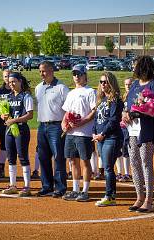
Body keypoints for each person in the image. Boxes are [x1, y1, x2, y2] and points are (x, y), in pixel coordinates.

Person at [122, 56, 154, 213]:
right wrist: (125, 113)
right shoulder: (134, 85)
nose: (133, 68)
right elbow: (128, 105)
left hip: (148, 129)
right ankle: (139, 197)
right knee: (134, 161)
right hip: (133, 128)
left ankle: (149, 200)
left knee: (146, 162)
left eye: (136, 65)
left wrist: (142, 111)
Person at [61, 65, 96, 202]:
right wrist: (63, 124)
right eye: (74, 74)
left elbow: (94, 111)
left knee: (85, 161)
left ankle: (85, 191)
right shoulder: (71, 93)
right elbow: (66, 112)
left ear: (85, 76)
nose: (76, 76)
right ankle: (75, 190)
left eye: (79, 74)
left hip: (84, 133)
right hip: (71, 133)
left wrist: (82, 122)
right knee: (72, 161)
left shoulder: (90, 92)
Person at [35, 61, 69, 197]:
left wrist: (65, 123)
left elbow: (69, 108)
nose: (41, 74)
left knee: (58, 157)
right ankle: (47, 186)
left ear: (51, 70)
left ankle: (60, 187)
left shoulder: (61, 87)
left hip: (56, 126)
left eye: (43, 71)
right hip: (42, 126)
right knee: (43, 157)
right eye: (40, 71)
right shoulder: (38, 88)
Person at [93, 72, 124, 207]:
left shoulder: (116, 100)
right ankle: (110, 195)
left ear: (111, 83)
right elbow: (96, 119)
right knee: (107, 167)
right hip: (100, 138)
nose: (103, 84)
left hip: (111, 137)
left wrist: (103, 134)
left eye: (106, 82)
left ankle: (110, 196)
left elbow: (113, 120)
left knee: (108, 168)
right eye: (101, 82)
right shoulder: (101, 100)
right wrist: (94, 133)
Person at [1, 72, 34, 197]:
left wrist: (14, 120)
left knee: (23, 157)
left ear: (20, 81)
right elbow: (4, 114)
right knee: (11, 157)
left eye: (14, 81)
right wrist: (3, 115)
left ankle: (27, 186)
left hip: (21, 129)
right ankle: (13, 185)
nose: (11, 84)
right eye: (9, 82)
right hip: (9, 130)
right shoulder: (8, 97)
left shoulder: (26, 96)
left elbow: (30, 115)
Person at [116, 77, 133, 182]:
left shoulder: (135, 97)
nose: (128, 86)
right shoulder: (123, 97)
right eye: (126, 84)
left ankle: (127, 173)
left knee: (127, 150)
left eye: (130, 84)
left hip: (130, 128)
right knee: (119, 149)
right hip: (121, 127)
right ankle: (119, 172)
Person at [0, 69, 12, 178]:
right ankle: (1, 167)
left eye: (9, 76)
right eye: (5, 76)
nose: (7, 78)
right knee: (3, 145)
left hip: (14, 121)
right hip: (2, 122)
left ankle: (13, 166)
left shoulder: (17, 90)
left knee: (12, 145)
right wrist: (1, 114)